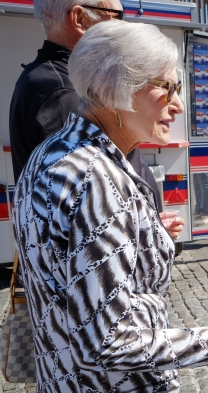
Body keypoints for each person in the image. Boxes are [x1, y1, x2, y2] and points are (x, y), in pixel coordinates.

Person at [12, 20, 208, 393]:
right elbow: (107, 341)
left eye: (179, 88)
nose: (178, 104)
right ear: (115, 89)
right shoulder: (94, 176)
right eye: (166, 87)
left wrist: (145, 233)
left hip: (63, 382)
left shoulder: (55, 150)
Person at [8, 0, 183, 240]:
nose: (124, 25)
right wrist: (146, 234)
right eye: (116, 15)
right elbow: (89, 216)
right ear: (80, 19)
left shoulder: (44, 77)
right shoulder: (64, 89)